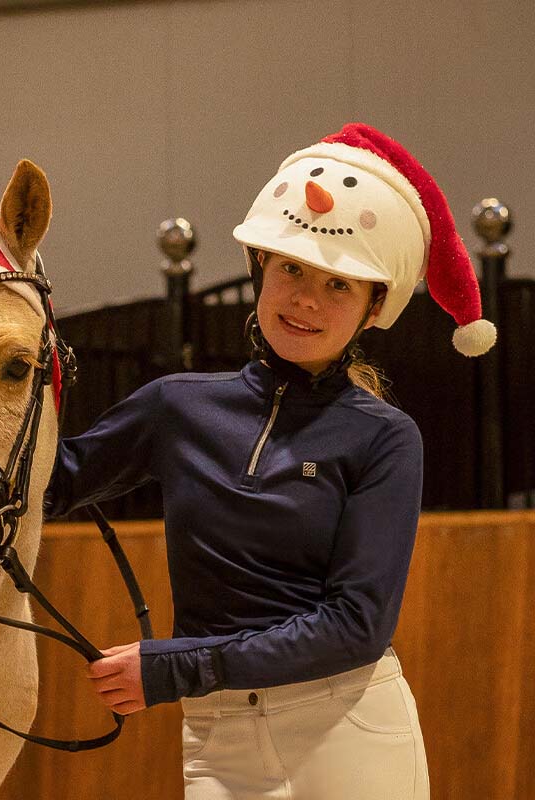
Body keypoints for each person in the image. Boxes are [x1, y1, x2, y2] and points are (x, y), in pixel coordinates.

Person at [45, 123, 496, 800]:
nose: (307, 299)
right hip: (219, 738)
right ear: (261, 266)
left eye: (339, 285)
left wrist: (174, 669)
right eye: (291, 269)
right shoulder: (175, 407)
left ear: (376, 308)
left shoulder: (385, 438)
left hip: (348, 728)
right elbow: (42, 490)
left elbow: (356, 626)